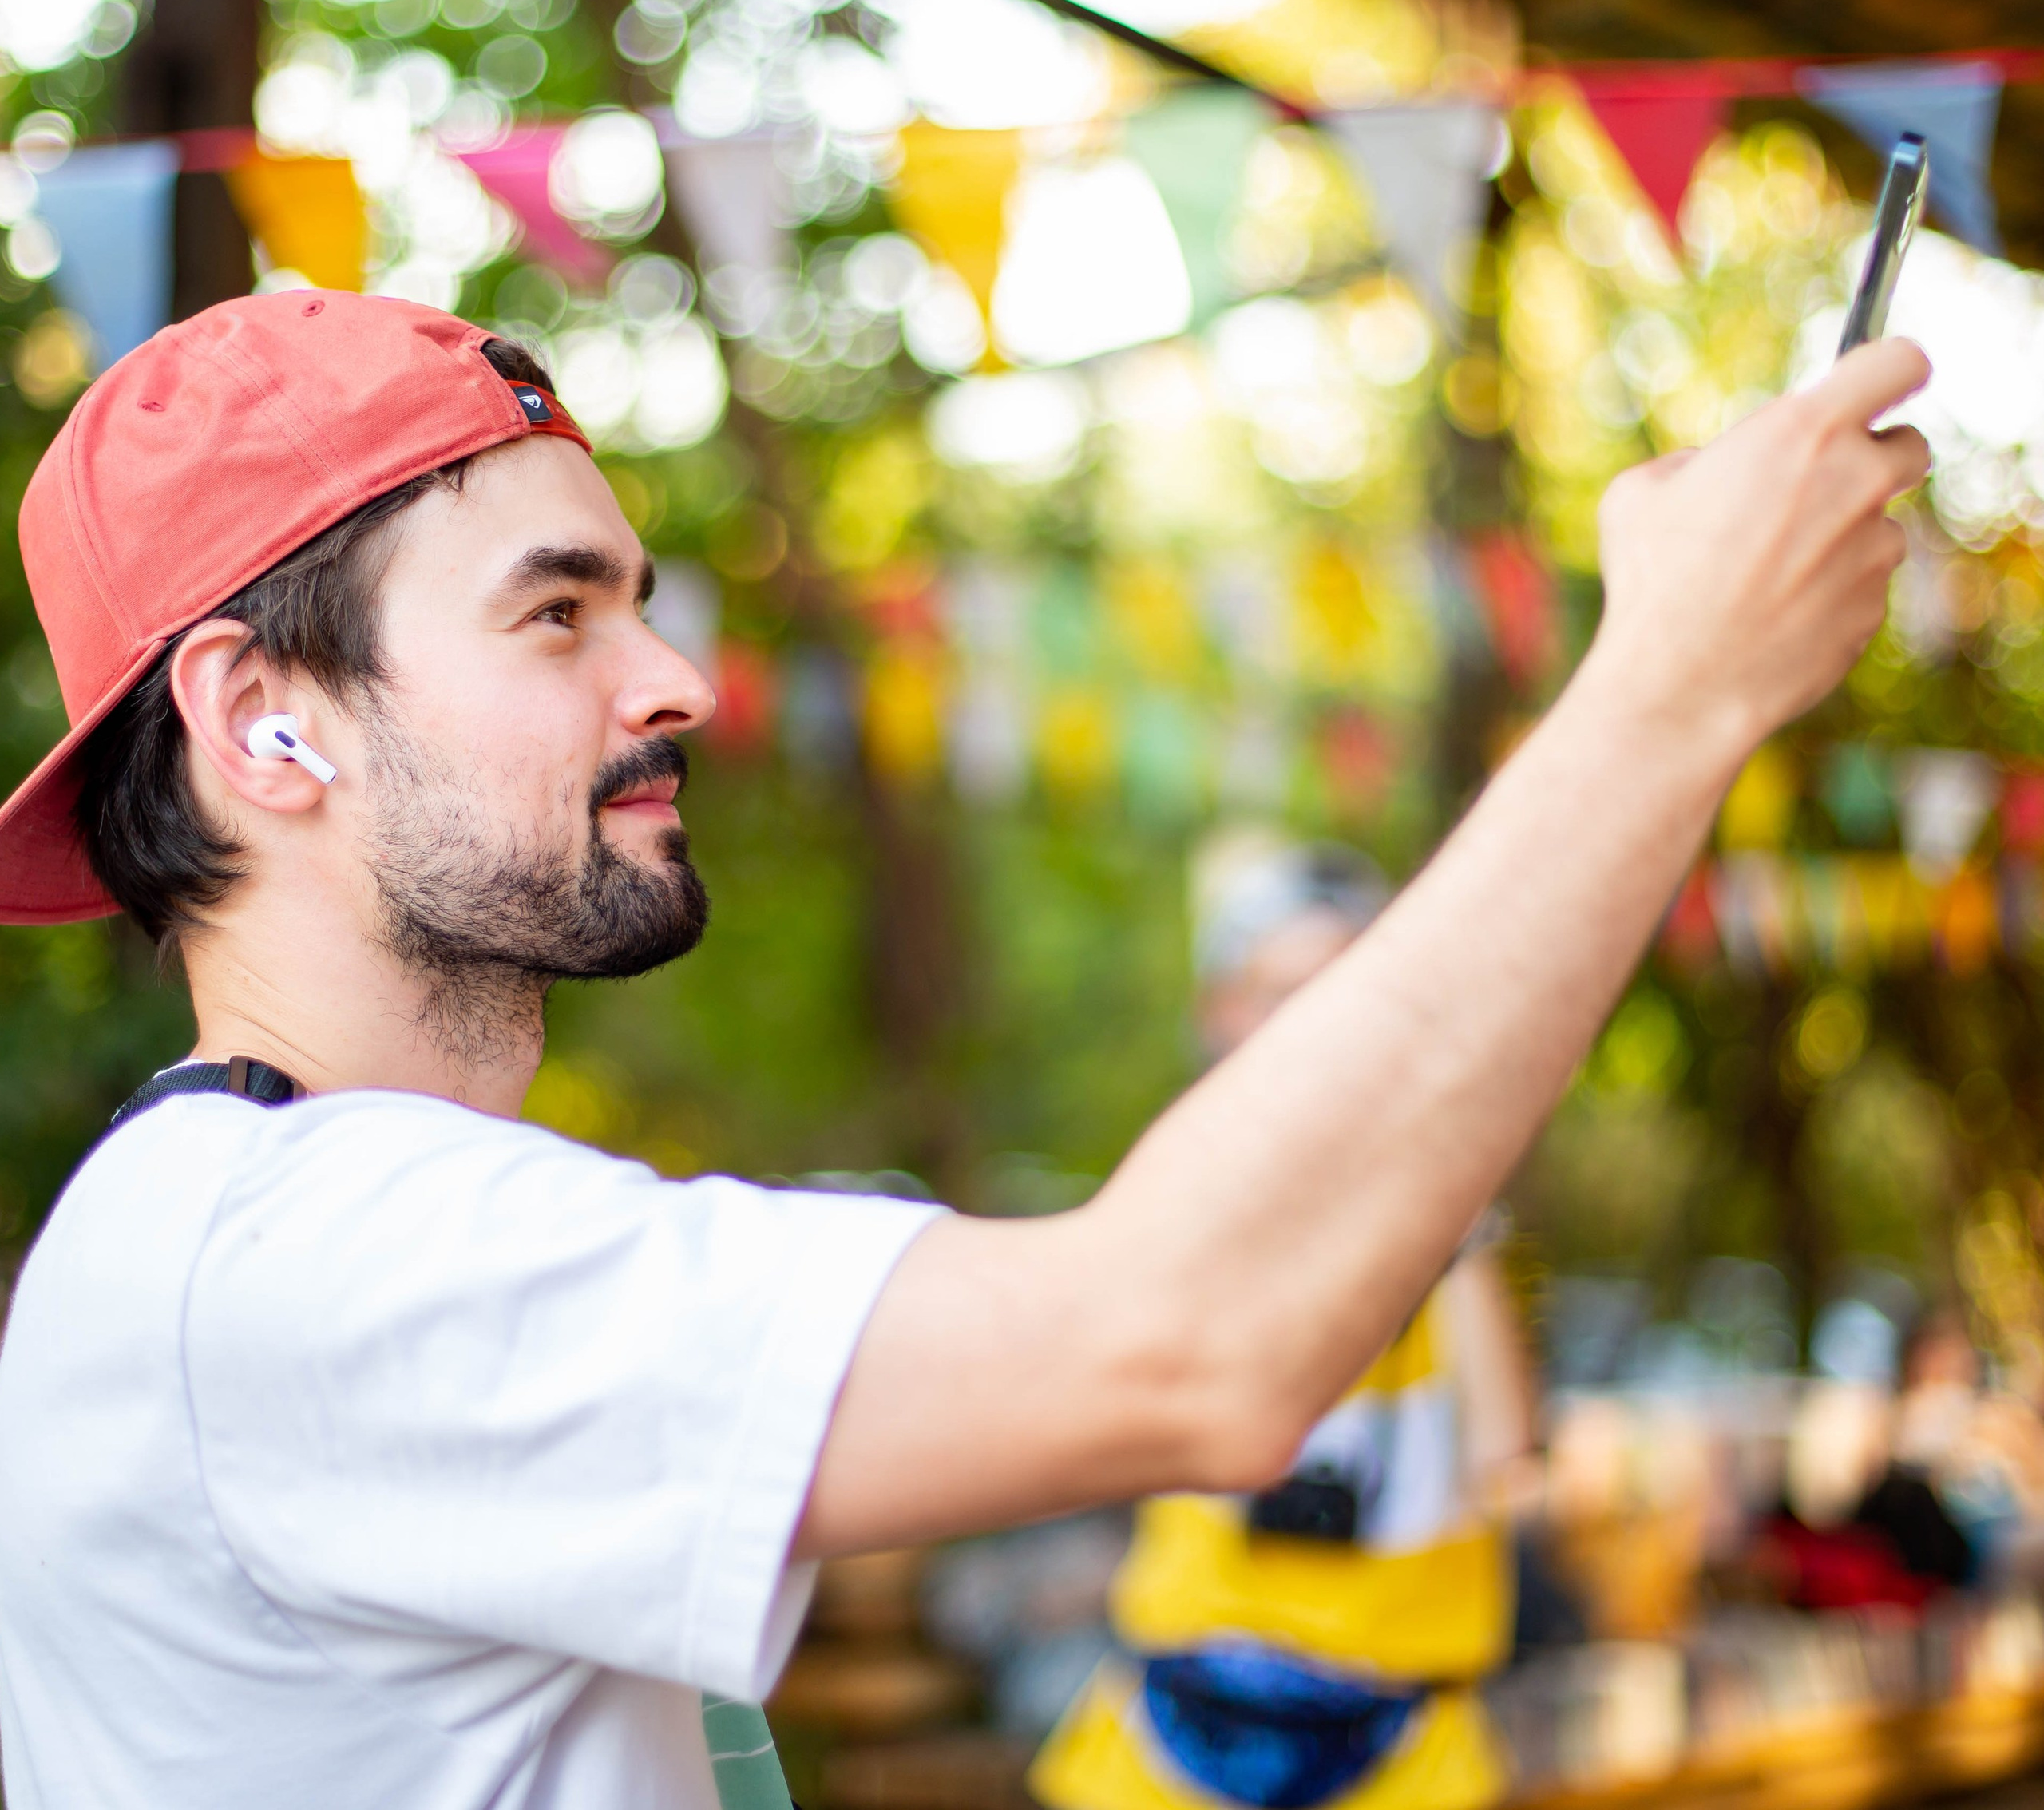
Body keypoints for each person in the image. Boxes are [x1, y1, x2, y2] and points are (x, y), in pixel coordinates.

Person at [0, 291, 1927, 1808]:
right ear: (263, 722)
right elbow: (1187, 1331)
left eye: (638, 602)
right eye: (555, 613)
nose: (671, 678)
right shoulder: (303, 1266)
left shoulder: (258, 1227)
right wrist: (1673, 683)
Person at [1033, 835, 1534, 1810]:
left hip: (1405, 1743)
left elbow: (1507, 1457)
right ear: (1221, 1012)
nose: (1314, 1020)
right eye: (1281, 990)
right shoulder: (1172, 1201)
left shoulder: (1452, 1223)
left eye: (1344, 988)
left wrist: (1454, 1204)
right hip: (1175, 1733)